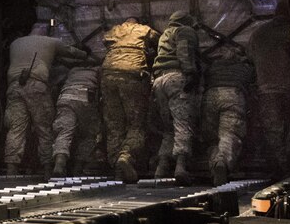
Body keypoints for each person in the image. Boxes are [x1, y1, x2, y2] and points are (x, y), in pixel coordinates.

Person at [3, 26, 87, 176]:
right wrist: (85, 52)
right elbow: (73, 53)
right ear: (47, 33)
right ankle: (48, 167)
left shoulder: (15, 43)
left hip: (14, 86)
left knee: (15, 128)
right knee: (44, 128)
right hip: (36, 86)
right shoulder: (51, 41)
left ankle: (11, 168)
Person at [101, 17, 159, 183]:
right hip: (132, 75)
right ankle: (126, 156)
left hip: (107, 75)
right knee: (136, 123)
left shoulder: (114, 30)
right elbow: (159, 41)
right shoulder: (144, 29)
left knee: (114, 124)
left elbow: (104, 42)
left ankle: (117, 170)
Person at [247, 11, 290, 177]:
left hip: (266, 90)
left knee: (273, 131)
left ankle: (281, 171)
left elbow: (250, 58)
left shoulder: (258, 33)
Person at [152, 11, 200, 184]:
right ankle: (181, 167)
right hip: (176, 78)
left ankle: (162, 168)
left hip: (159, 81)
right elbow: (184, 51)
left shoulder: (164, 35)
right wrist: (190, 73)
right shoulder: (184, 30)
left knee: (168, 128)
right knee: (182, 123)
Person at [201, 45, 255, 185]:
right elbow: (252, 80)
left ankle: (214, 167)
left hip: (211, 96)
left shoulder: (213, 67)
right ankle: (222, 162)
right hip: (233, 95)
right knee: (229, 134)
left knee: (211, 138)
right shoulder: (243, 68)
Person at [51, 59, 101, 176]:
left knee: (64, 131)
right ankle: (79, 166)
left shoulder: (72, 71)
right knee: (89, 134)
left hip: (66, 96)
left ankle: (60, 161)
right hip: (85, 97)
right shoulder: (98, 70)